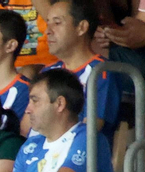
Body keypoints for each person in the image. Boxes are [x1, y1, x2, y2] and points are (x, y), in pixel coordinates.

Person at [40, 0, 119, 132]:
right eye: (48, 23)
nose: (47, 31)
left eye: (57, 23)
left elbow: (90, 132)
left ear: (81, 27)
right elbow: (29, 128)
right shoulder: (47, 72)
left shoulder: (101, 71)